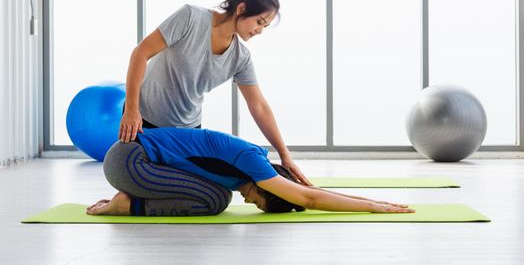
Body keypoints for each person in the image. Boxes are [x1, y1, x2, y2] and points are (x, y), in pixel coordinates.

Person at [119, 0, 310, 185]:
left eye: (265, 26)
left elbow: (259, 106)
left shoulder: (241, 57)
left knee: (214, 191)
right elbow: (140, 53)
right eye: (259, 22)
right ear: (241, 9)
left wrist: (285, 155)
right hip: (144, 121)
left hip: (188, 132)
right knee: (141, 180)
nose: (260, 31)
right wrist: (132, 110)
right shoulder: (190, 17)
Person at [87, 127, 415, 216]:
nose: (249, 201)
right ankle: (127, 206)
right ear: (268, 186)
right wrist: (374, 206)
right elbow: (311, 199)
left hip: (136, 162)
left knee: (217, 197)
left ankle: (131, 201)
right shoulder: (251, 161)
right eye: (259, 200)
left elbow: (314, 195)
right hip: (130, 161)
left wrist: (370, 200)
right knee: (215, 202)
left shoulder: (244, 169)